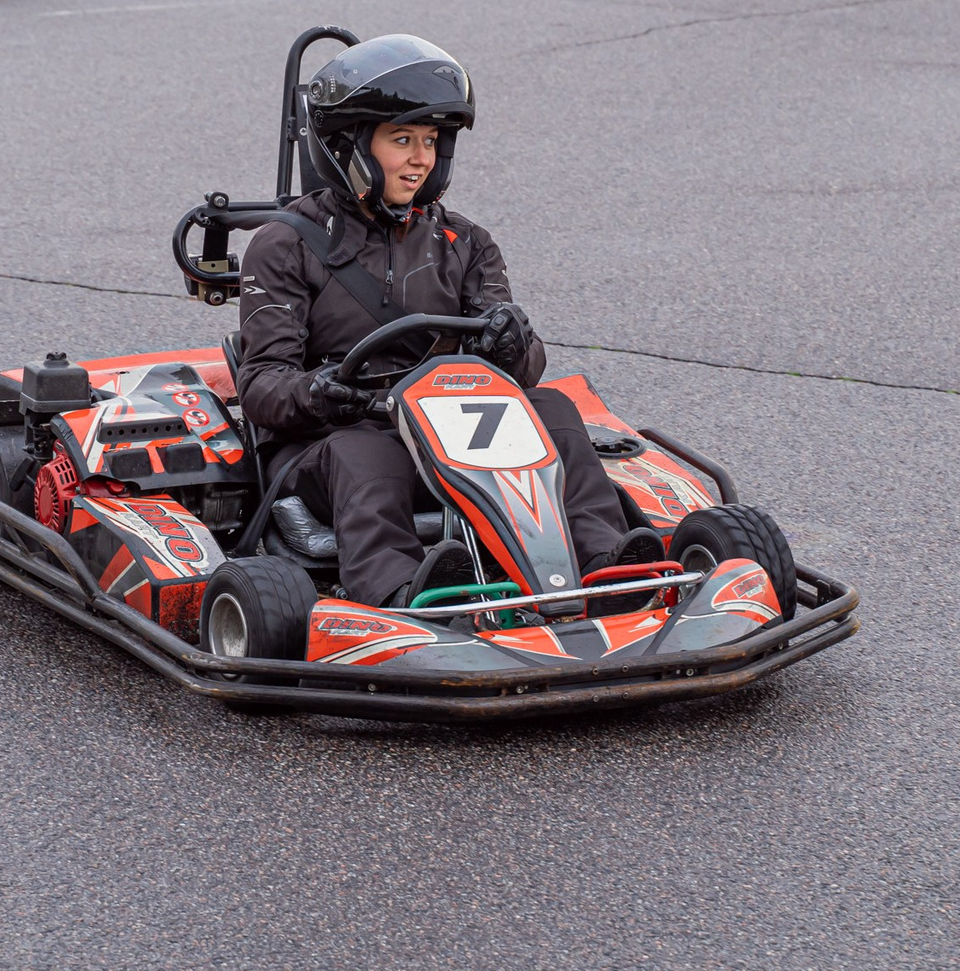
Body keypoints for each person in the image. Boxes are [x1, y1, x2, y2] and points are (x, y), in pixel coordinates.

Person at [234, 34, 655, 609]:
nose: (420, 158)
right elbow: (261, 385)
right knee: (367, 454)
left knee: (554, 411)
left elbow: (525, 370)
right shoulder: (283, 245)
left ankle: (607, 566)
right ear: (347, 146)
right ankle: (402, 594)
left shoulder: (464, 242)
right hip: (336, 435)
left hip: (448, 423)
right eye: (401, 140)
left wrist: (512, 344)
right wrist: (318, 392)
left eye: (430, 141)